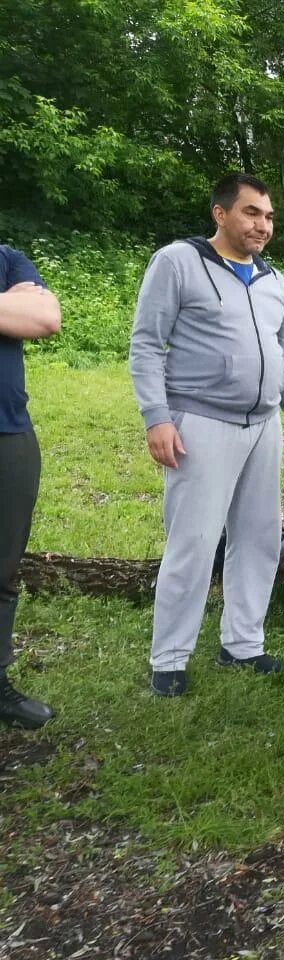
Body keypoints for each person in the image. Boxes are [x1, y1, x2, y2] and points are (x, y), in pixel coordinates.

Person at [129, 173, 284, 697]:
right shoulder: (178, 263)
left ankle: (242, 645)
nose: (263, 225)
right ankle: (168, 659)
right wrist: (156, 418)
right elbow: (146, 344)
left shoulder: (274, 281)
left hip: (261, 428)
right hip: (200, 423)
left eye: (270, 216)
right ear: (220, 213)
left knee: (257, 539)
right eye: (252, 213)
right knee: (193, 541)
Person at [0, 245, 61, 728]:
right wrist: (8, 305)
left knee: (2, 566)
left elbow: (44, 317)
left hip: (9, 433)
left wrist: (24, 304)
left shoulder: (8, 258)